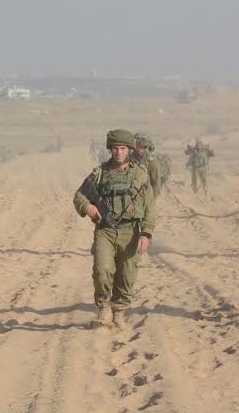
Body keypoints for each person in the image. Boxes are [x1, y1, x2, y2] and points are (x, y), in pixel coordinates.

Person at [73, 129, 156, 329]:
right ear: (110, 150)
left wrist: (146, 233)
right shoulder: (99, 174)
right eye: (115, 148)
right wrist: (88, 207)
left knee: (127, 276)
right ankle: (104, 308)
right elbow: (79, 196)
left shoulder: (140, 175)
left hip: (131, 232)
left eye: (123, 149)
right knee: (102, 270)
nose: (119, 152)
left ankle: (119, 312)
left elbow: (150, 207)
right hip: (106, 231)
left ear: (129, 150)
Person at [131, 132, 162, 197]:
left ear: (145, 147)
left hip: (146, 195)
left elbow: (156, 184)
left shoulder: (152, 162)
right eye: (136, 146)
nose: (138, 149)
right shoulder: (130, 158)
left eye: (141, 147)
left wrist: (152, 199)